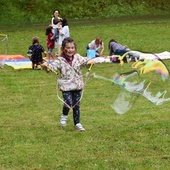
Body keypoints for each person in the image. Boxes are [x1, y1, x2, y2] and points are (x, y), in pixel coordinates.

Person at [41, 37, 94, 131]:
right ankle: (64, 116)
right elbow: (51, 68)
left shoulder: (77, 57)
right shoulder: (60, 60)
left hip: (77, 85)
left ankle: (77, 123)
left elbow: (86, 61)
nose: (70, 50)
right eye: (68, 48)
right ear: (63, 49)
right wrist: (46, 66)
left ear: (75, 48)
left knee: (76, 105)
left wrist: (90, 62)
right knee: (68, 103)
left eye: (72, 47)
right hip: (66, 86)